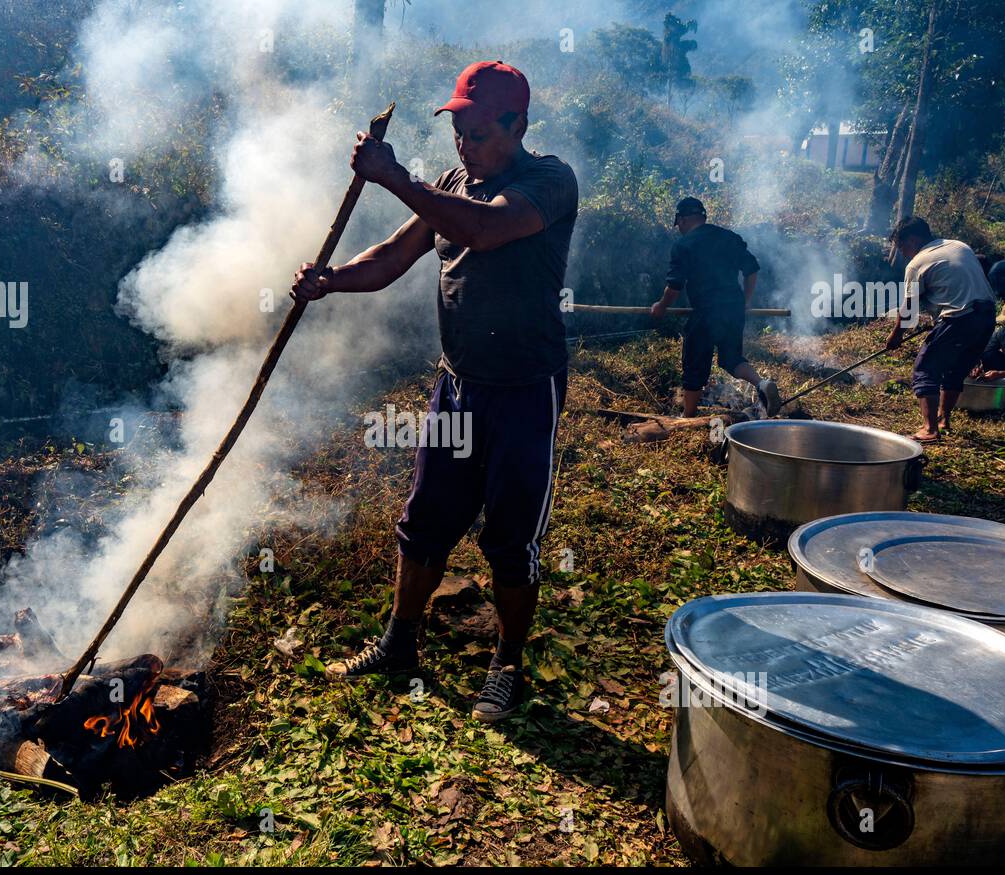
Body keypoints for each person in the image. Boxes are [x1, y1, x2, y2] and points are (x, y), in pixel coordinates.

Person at [289, 61, 578, 721]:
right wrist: (330, 280)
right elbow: (392, 257)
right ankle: (398, 642)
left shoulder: (548, 182)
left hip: (525, 391)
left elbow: (481, 229)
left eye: (477, 132)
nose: (463, 143)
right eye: (457, 129)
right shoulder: (450, 183)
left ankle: (506, 662)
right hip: (458, 386)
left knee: (510, 539)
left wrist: (393, 176)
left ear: (518, 126)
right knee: (424, 522)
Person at [649, 197, 780, 417]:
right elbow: (752, 269)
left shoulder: (684, 245)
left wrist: (660, 307)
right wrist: (745, 302)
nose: (679, 229)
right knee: (732, 359)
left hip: (707, 313)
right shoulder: (729, 237)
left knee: (694, 363)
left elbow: (674, 286)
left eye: (678, 224)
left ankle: (688, 416)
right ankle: (761, 383)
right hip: (733, 309)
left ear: (682, 220)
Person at [884, 217, 996, 443]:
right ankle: (943, 419)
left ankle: (929, 429)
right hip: (987, 316)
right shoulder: (959, 245)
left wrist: (896, 336)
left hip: (960, 319)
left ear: (913, 240)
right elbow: (957, 284)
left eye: (903, 247)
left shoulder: (917, 263)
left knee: (925, 369)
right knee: (955, 370)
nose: (904, 254)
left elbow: (909, 308)